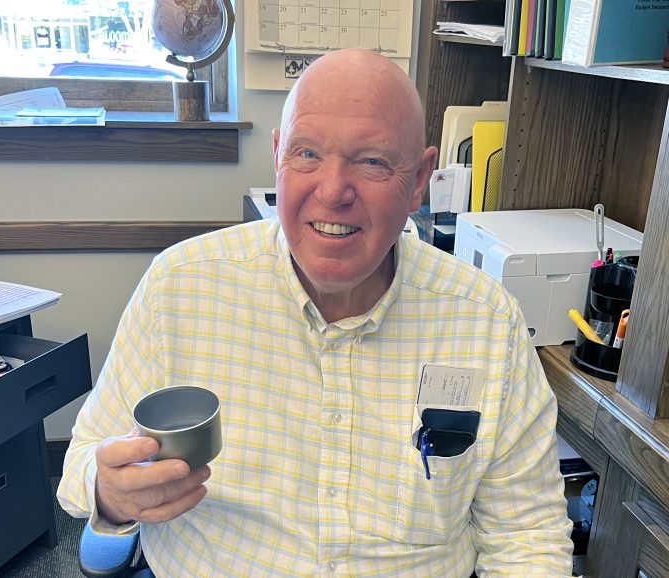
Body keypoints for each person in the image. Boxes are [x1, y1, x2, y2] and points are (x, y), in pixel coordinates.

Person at [58, 47, 573, 577]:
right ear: (278, 155)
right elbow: (83, 462)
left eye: (371, 161)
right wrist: (113, 496)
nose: (331, 191)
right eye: (306, 154)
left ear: (419, 178)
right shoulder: (180, 288)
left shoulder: (487, 322)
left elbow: (526, 536)